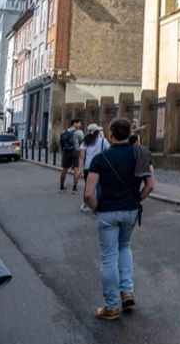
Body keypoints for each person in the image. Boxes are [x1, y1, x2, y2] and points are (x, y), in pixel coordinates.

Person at [83, 117, 155, 320]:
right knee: (124, 247)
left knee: (108, 257)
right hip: (131, 210)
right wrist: (136, 199)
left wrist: (98, 209)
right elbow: (150, 185)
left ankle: (112, 306)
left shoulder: (100, 159)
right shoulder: (139, 153)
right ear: (129, 132)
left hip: (108, 211)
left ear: (111, 134)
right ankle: (127, 292)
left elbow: (88, 194)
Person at [78, 124, 110, 212]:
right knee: (100, 187)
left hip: (88, 167)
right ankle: (99, 206)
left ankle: (86, 205)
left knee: (88, 187)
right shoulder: (104, 141)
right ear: (98, 132)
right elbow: (109, 152)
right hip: (101, 166)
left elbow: (81, 157)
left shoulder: (85, 142)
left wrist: (80, 169)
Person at [58, 118, 83, 193]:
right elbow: (82, 142)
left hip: (66, 152)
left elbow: (61, 142)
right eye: (79, 123)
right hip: (75, 151)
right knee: (76, 169)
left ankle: (61, 186)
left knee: (64, 169)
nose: (80, 125)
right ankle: (74, 188)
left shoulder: (64, 132)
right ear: (75, 123)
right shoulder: (79, 132)